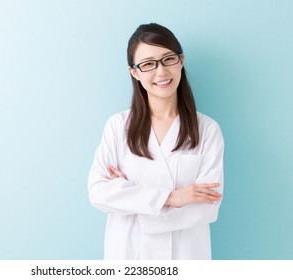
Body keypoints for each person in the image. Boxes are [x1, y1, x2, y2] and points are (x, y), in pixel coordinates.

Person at [88, 23, 224, 260]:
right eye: (148, 64)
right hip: (130, 255)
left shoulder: (207, 130)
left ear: (181, 61)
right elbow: (99, 192)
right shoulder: (118, 127)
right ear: (134, 72)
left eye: (168, 59)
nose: (161, 72)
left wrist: (131, 198)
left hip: (186, 257)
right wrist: (172, 198)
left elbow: (206, 209)